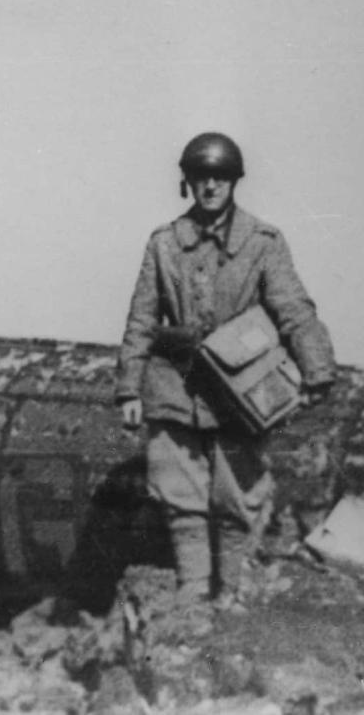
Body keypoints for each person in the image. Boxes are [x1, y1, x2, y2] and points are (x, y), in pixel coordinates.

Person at [116, 132, 336, 602]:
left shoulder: (262, 243)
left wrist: (316, 369)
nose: (210, 186)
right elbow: (141, 318)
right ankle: (193, 592)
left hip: (240, 389)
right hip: (175, 384)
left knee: (238, 493)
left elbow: (293, 310)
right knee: (180, 495)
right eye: (200, 177)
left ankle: (230, 593)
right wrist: (130, 389)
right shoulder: (164, 244)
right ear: (187, 183)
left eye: (220, 177)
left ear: (235, 182)